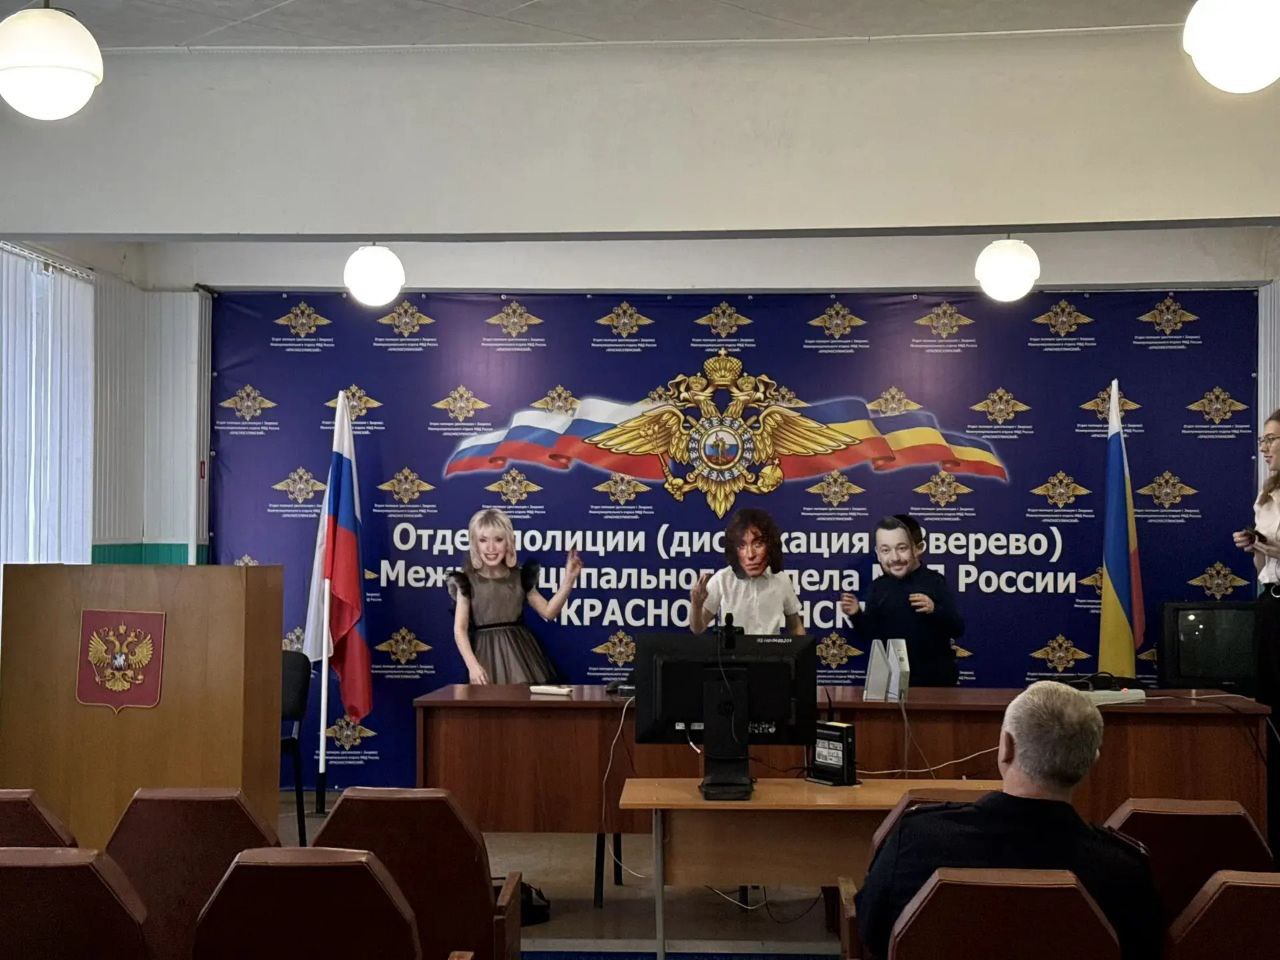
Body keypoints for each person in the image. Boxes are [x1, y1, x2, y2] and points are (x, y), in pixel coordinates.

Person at [855, 681, 1163, 960]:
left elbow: (873, 933)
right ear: (1091, 760)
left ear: (1006, 747)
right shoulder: (1124, 869)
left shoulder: (917, 838)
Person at [448, 508, 582, 685]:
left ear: (508, 543)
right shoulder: (466, 581)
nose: (490, 548)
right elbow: (460, 629)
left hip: (522, 658)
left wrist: (569, 580)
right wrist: (472, 665)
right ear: (474, 544)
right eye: (483, 540)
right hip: (484, 657)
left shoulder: (520, 577)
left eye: (498, 540)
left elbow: (549, 612)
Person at [839, 514, 963, 686]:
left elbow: (957, 628)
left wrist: (935, 609)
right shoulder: (877, 588)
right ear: (878, 554)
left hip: (935, 680)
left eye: (902, 548)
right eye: (885, 550)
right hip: (891, 681)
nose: (895, 558)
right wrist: (856, 614)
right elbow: (871, 636)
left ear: (918, 549)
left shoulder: (935, 581)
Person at [1233, 408, 1280, 843]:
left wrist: (1272, 547)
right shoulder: (1266, 497)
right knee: (1268, 702)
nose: (1264, 448)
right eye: (1262, 440)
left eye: (1271, 439)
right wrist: (1255, 547)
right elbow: (1265, 567)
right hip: (1271, 604)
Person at [690, 508, 803, 636]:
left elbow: (795, 627)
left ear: (770, 546)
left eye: (758, 544)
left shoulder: (781, 580)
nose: (750, 555)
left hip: (770, 648)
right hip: (732, 648)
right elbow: (697, 628)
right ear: (734, 550)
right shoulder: (722, 579)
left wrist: (805, 648)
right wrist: (696, 605)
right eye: (741, 546)